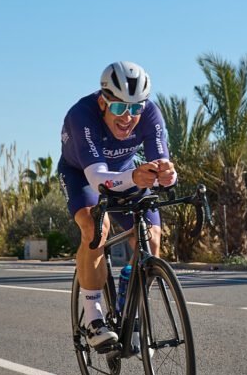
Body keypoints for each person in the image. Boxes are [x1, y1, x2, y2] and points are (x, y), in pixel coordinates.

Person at [59, 61, 177, 350]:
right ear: (103, 101)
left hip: (127, 174)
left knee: (151, 238)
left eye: (135, 108)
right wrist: (135, 176)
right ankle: (93, 318)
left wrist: (167, 174)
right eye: (119, 108)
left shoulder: (151, 114)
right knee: (96, 229)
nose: (128, 117)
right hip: (83, 176)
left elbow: (161, 164)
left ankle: (130, 301)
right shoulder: (82, 115)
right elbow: (99, 180)